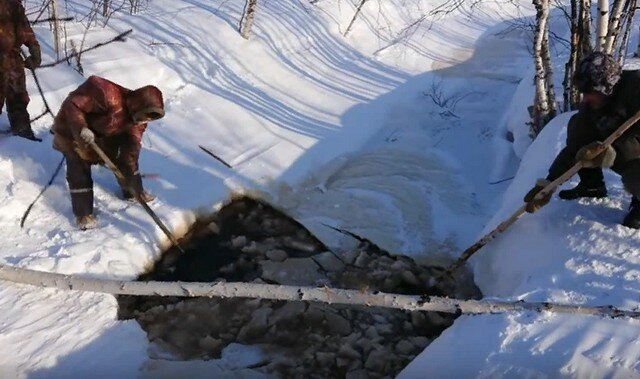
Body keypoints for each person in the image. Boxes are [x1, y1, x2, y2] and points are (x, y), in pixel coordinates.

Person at [524, 52, 640, 229]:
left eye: (590, 92)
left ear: (607, 87)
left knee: (627, 155)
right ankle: (592, 186)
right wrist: (548, 184)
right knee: (577, 125)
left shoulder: (635, 88)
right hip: (622, 145)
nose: (585, 98)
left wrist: (612, 151)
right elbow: (574, 147)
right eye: (583, 92)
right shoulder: (593, 105)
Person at [52, 75, 165, 230]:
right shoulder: (106, 93)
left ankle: (133, 192)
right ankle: (83, 214)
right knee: (79, 166)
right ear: (138, 105)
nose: (145, 121)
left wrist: (131, 175)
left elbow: (131, 148)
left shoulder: (139, 120)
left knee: (126, 157)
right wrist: (81, 128)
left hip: (104, 132)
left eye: (149, 118)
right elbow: (73, 105)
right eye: (145, 116)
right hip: (72, 130)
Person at [0, 0, 42, 140]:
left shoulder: (14, 5)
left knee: (18, 98)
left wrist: (34, 49)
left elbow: (24, 29)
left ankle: (22, 135)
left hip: (12, 59)